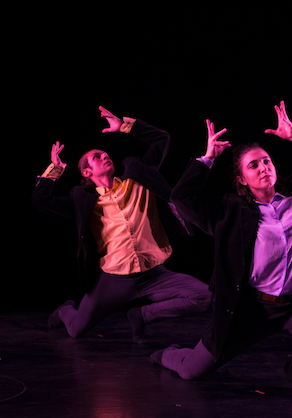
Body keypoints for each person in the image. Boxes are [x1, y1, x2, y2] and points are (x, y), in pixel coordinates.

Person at [151, 102, 292, 393]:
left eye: (266, 161)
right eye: (253, 165)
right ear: (242, 179)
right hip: (251, 310)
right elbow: (182, 198)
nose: (263, 168)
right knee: (191, 372)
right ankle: (166, 354)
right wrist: (207, 158)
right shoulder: (230, 212)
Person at [32, 106, 211, 343]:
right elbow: (40, 200)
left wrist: (124, 126)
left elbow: (162, 139)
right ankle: (66, 310)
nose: (105, 156)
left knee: (204, 297)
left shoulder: (138, 178)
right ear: (87, 172)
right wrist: (55, 169)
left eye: (106, 154)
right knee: (76, 330)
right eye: (97, 157)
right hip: (114, 280)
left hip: (155, 275)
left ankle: (142, 315)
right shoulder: (83, 200)